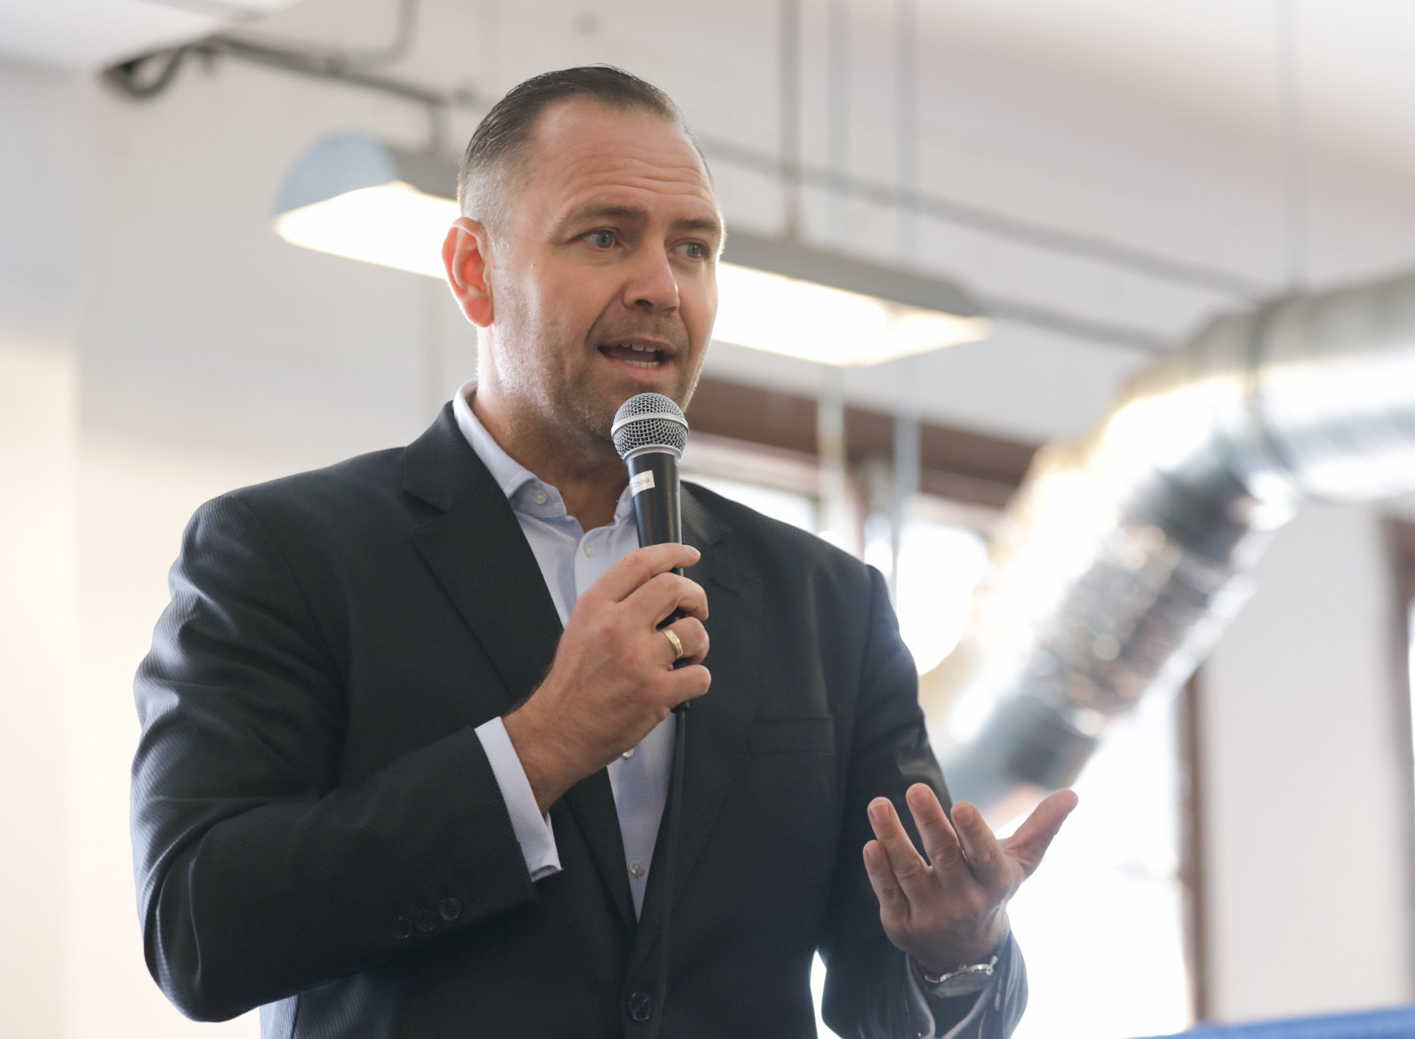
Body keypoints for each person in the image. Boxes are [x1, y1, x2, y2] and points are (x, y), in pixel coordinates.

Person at [131, 66, 1077, 1038]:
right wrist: (539, 746)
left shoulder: (827, 602)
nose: (662, 286)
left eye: (693, 248)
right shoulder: (286, 553)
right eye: (605, 237)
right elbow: (198, 929)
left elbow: (896, 984)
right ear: (474, 271)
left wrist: (958, 948)